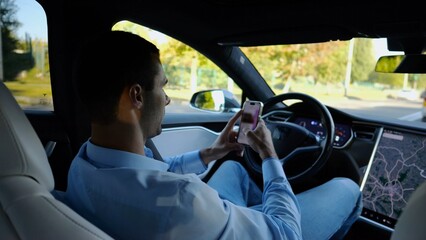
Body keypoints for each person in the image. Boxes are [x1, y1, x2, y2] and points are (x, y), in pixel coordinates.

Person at [65, 30, 362, 240]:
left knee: (232, 166)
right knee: (347, 188)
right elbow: (286, 233)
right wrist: (270, 157)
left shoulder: (82, 165)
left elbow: (153, 174)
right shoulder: (184, 200)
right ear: (137, 97)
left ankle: (253, 215)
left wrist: (212, 152)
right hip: (270, 230)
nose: (167, 99)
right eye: (163, 87)